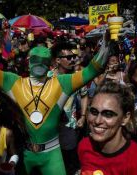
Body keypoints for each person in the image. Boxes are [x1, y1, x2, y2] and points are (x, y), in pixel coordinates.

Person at [0, 32, 111, 175]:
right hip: (26, 153)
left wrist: (106, 45)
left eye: (43, 60)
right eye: (35, 60)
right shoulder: (14, 83)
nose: (38, 63)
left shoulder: (62, 83)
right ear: (28, 61)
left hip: (53, 153)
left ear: (50, 63)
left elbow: (92, 70)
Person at [78, 81, 137, 175]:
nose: (97, 121)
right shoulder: (85, 146)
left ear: (125, 118)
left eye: (108, 114)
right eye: (94, 111)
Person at [50, 42, 88, 174]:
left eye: (73, 57)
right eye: (69, 57)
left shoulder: (76, 77)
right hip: (50, 127)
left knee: (69, 158)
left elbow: (84, 96)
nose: (73, 60)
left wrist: (83, 117)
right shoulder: (48, 77)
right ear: (58, 60)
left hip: (70, 126)